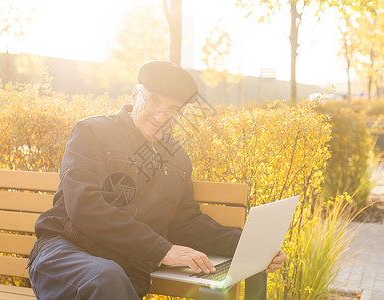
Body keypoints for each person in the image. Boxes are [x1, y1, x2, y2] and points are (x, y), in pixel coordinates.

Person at [27, 60, 287, 299]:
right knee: (105, 277)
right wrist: (161, 250)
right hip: (64, 252)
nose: (161, 117)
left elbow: (186, 223)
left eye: (173, 109)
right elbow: (86, 206)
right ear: (134, 95)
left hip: (125, 265)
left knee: (112, 277)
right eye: (153, 101)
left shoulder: (178, 160)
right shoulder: (91, 132)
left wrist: (252, 246)